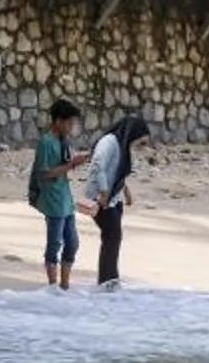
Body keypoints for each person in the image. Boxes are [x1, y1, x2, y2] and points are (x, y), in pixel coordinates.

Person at [82, 111, 151, 289]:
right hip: (100, 197)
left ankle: (110, 279)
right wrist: (104, 191)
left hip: (114, 198)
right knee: (112, 236)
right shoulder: (109, 142)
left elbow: (117, 171)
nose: (140, 147)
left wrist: (126, 191)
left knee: (113, 237)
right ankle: (107, 281)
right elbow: (98, 165)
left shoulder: (122, 145)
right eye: (141, 142)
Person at [29, 96, 83, 288]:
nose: (71, 127)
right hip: (52, 200)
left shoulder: (62, 141)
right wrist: (71, 164)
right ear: (58, 121)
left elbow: (64, 165)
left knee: (72, 243)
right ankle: (53, 286)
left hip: (65, 199)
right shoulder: (46, 142)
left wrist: (75, 161)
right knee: (54, 244)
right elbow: (44, 174)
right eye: (69, 123)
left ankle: (64, 286)